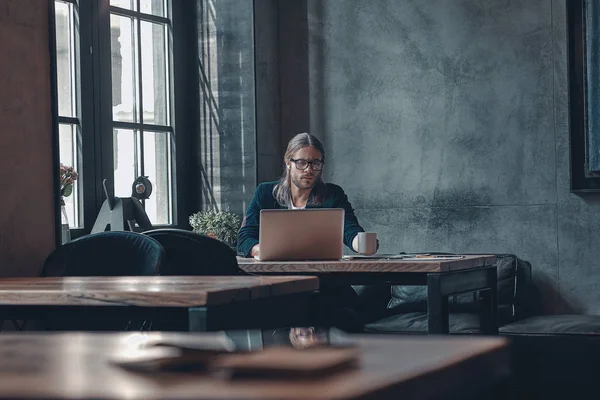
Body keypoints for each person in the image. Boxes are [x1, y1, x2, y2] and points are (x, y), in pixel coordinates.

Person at [237, 132, 366, 258]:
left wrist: (362, 244)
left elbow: (350, 230)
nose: (308, 169)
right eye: (301, 163)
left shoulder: (333, 194)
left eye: (315, 163)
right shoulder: (265, 193)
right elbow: (244, 239)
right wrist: (266, 250)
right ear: (288, 163)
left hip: (322, 272)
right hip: (274, 271)